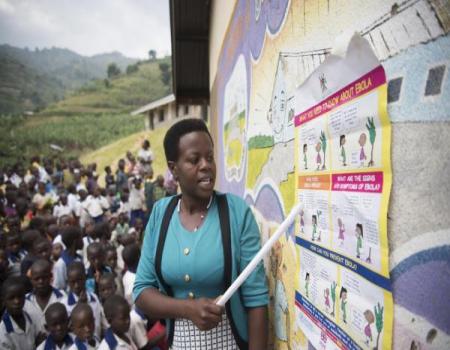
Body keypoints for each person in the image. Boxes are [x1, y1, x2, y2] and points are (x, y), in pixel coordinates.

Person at [134, 118, 268, 349]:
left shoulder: (236, 213)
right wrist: (187, 309)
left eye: (210, 157)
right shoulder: (160, 215)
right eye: (194, 160)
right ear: (173, 169)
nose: (206, 165)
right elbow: (142, 291)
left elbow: (256, 300)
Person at [24, 259, 66, 334]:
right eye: (37, 279)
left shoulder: (62, 297)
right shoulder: (24, 302)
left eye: (44, 278)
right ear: (31, 280)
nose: (41, 282)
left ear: (51, 276)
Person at [0, 276, 41, 349]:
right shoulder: (3, 331)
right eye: (11, 298)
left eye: (20, 296)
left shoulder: (31, 318)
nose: (17, 301)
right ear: (4, 301)